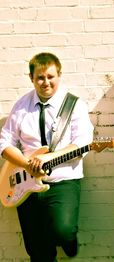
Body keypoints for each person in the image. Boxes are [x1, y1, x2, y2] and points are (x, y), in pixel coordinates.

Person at [0, 52, 94, 260]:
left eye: (50, 77)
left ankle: (68, 241)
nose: (46, 82)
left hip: (63, 182)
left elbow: (83, 142)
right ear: (31, 78)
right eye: (40, 78)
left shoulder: (74, 105)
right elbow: (4, 142)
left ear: (59, 75)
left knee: (63, 231)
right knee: (36, 250)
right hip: (25, 185)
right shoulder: (22, 106)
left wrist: (49, 158)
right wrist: (26, 163)